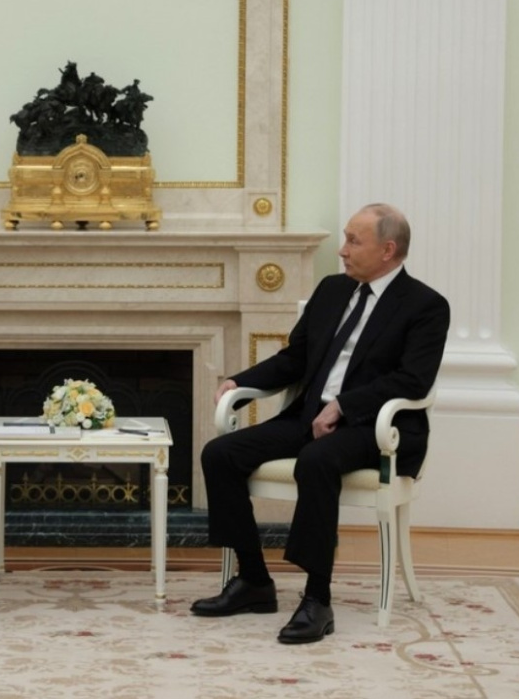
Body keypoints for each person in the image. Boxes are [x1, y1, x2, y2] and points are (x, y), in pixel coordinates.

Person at [192, 204, 449, 643]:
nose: (342, 250)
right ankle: (254, 580)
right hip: (309, 416)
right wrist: (240, 381)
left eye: (353, 241)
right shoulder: (332, 289)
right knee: (220, 454)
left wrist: (344, 406)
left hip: (375, 429)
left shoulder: (425, 306)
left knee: (316, 460)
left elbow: (412, 380)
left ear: (388, 250)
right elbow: (295, 358)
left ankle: (317, 599)